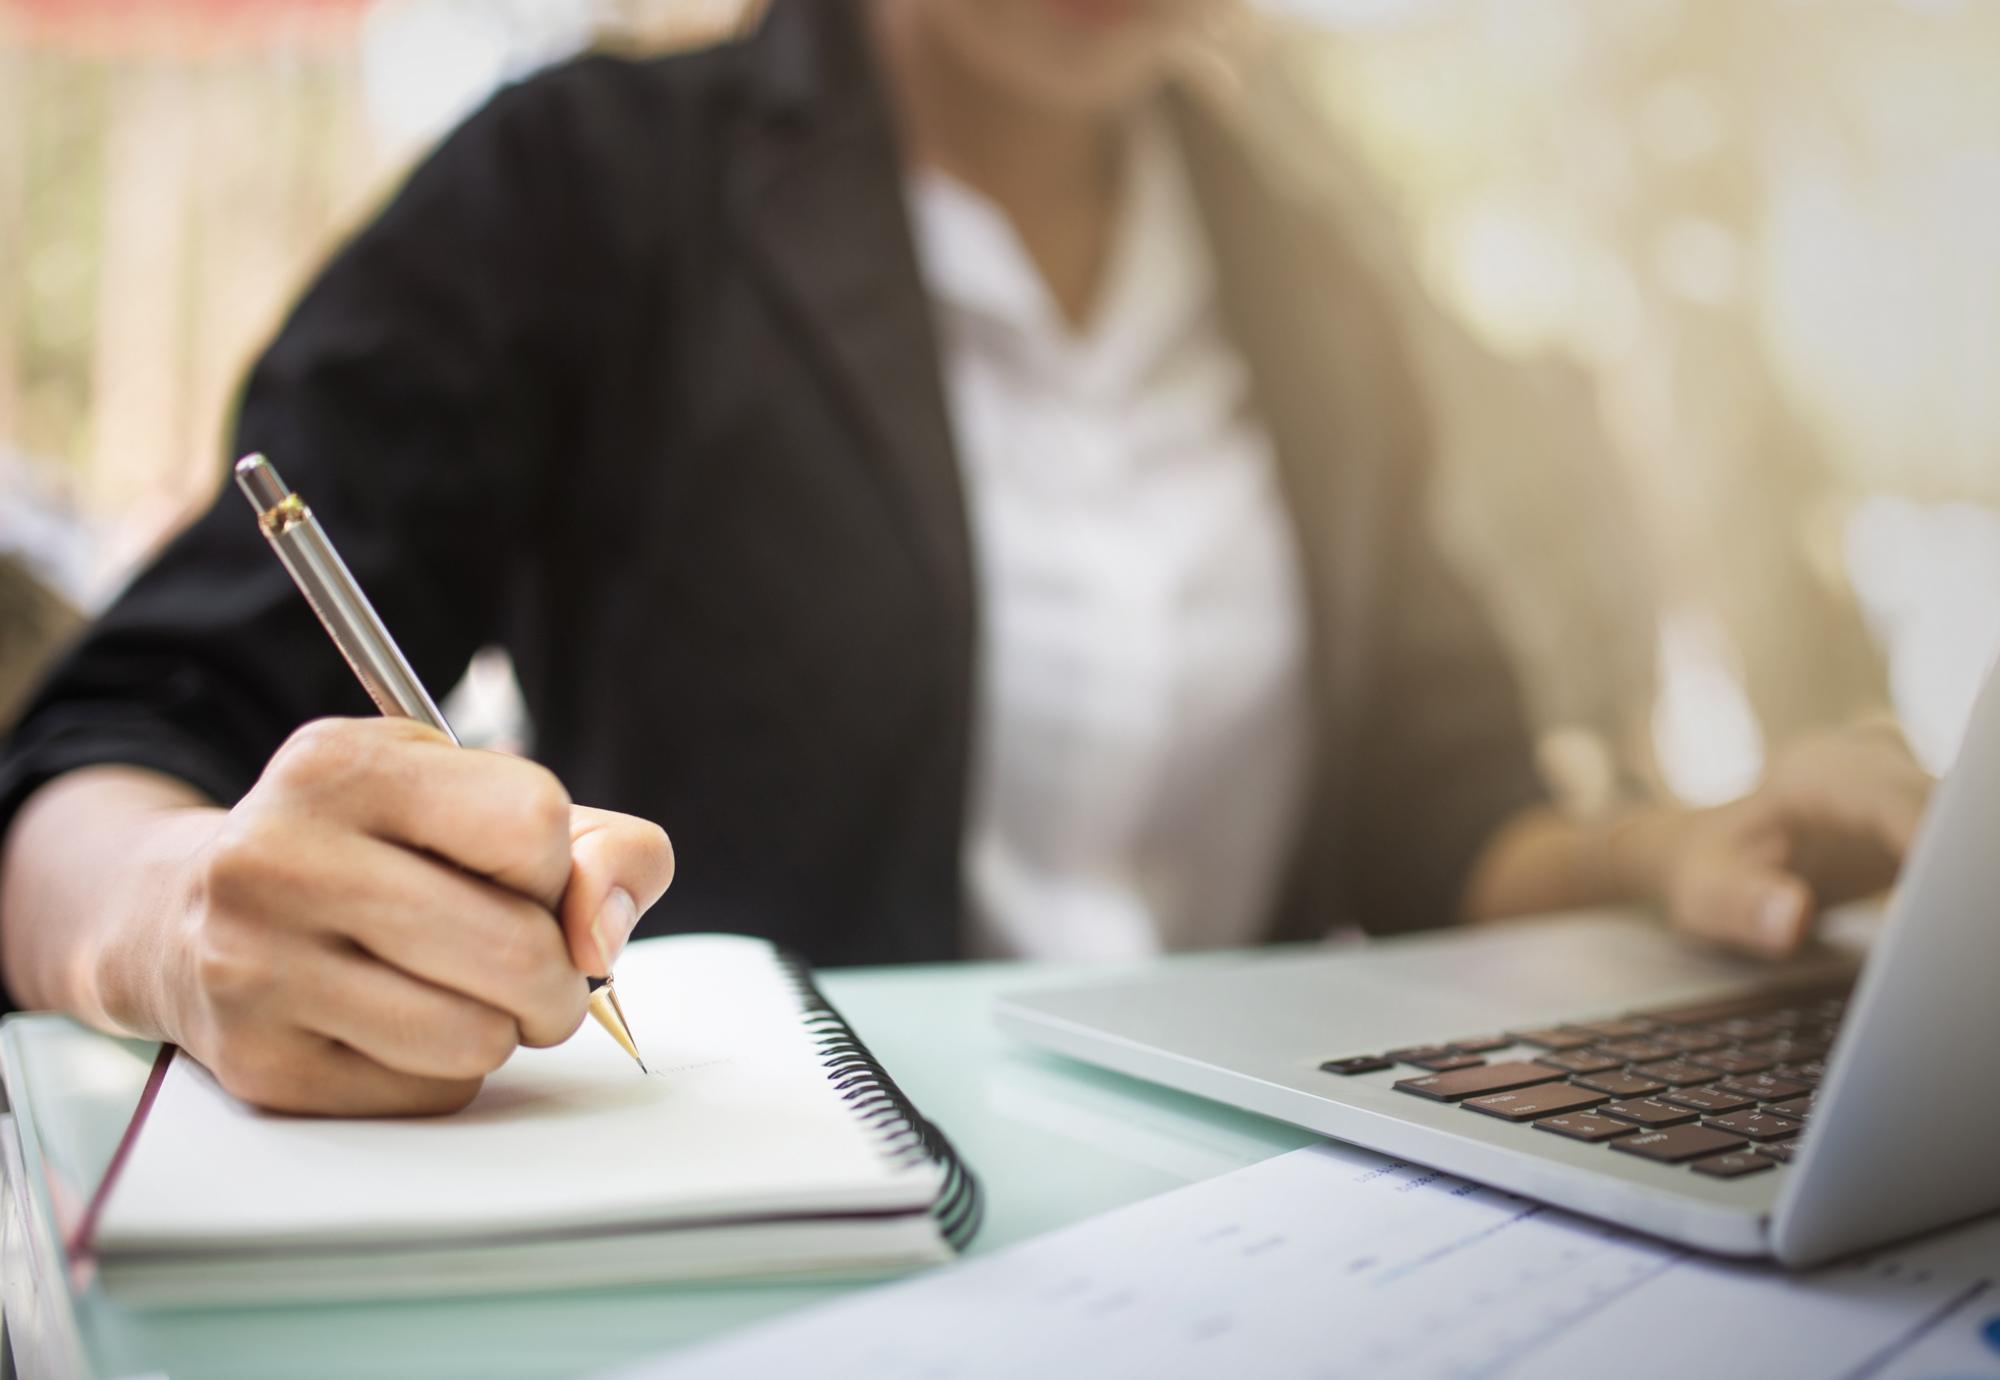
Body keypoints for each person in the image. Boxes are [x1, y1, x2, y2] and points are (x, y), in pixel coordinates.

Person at [0, 0, 1932, 1118]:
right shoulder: (586, 189)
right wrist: (171, 918)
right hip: (763, 1220)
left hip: (1245, 1235)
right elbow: (109, 748)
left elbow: (1436, 814)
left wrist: (1673, 859)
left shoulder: (1316, 266)